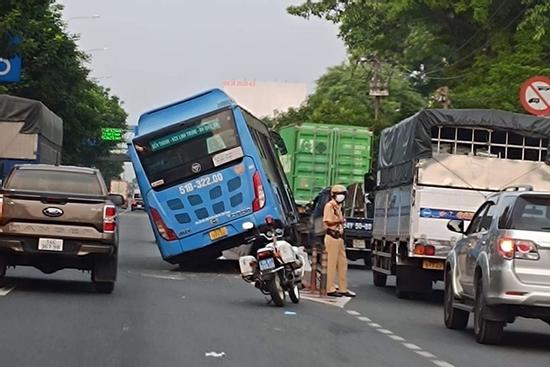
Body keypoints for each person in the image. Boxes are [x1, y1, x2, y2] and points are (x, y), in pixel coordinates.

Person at [323, 184, 356, 298]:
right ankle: (330, 288)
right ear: (333, 195)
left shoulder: (339, 207)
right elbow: (327, 221)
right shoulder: (330, 206)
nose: (341, 197)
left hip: (339, 238)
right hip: (332, 237)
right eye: (339, 194)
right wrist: (339, 221)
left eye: (342, 194)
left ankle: (343, 288)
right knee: (331, 264)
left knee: (343, 264)